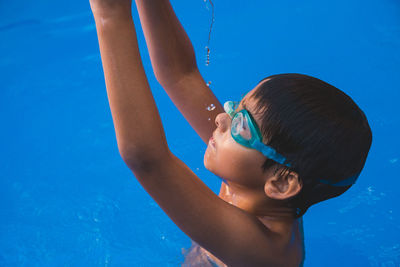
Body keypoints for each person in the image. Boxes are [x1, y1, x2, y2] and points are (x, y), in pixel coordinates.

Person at [88, 0, 372, 266]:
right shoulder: (251, 180)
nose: (222, 118)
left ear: (282, 183)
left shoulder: (263, 248)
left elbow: (147, 158)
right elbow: (180, 75)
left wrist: (109, 16)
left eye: (241, 124)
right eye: (236, 107)